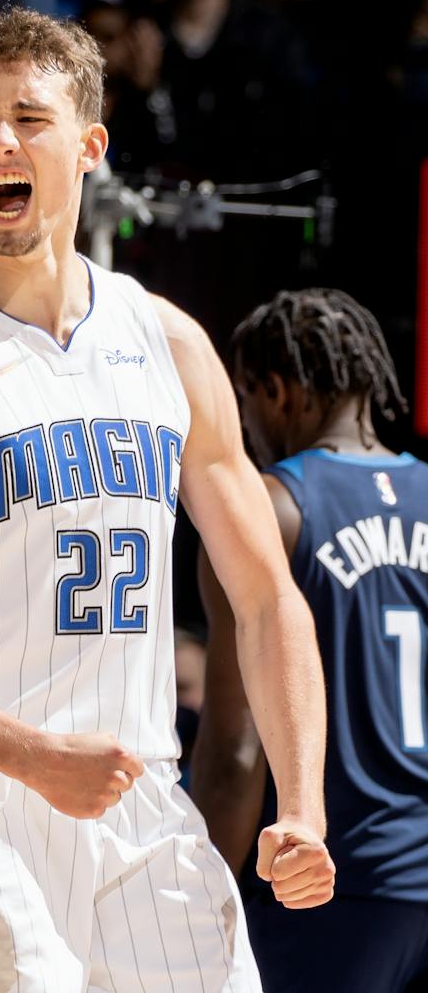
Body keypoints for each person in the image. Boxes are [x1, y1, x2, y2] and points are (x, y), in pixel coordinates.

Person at [0, 6, 335, 993]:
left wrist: (297, 801)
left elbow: (266, 599)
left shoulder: (166, 339)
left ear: (88, 145)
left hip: (138, 798)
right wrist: (31, 753)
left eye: (26, 117)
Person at [193, 288, 428, 992]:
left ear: (278, 390)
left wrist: (201, 901)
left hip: (330, 890)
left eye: (247, 399)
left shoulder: (269, 510)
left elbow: (236, 752)